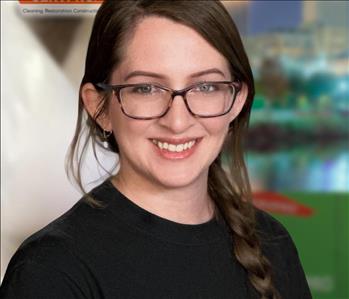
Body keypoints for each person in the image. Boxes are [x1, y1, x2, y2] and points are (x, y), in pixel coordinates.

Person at [0, 1, 312, 298]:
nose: (177, 121)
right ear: (99, 107)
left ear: (237, 100)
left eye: (205, 87)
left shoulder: (275, 244)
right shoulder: (50, 272)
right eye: (146, 88)